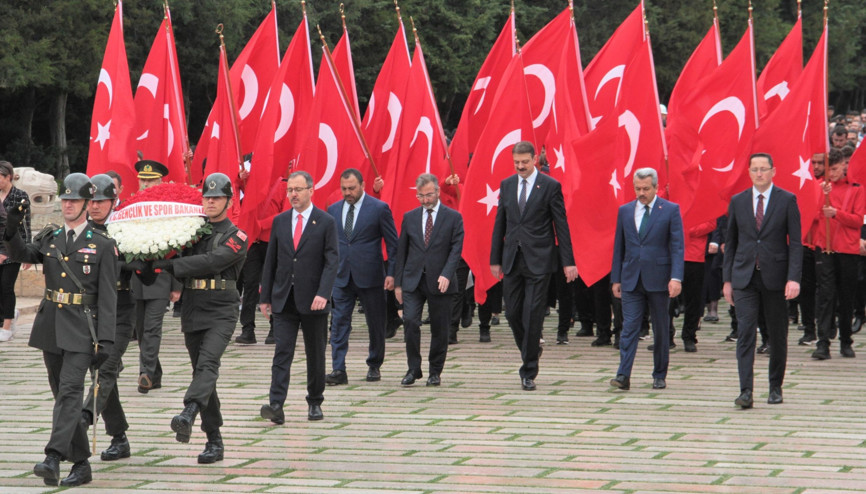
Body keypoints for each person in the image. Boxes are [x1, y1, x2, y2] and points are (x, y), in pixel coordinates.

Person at [4, 173, 117, 487]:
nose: (68, 205)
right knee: (62, 396)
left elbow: (109, 297)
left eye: (75, 200)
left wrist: (106, 340)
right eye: (65, 199)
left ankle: (53, 456)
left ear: (87, 204)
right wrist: (11, 229)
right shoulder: (51, 237)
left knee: (69, 392)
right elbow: (24, 255)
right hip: (51, 326)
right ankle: (81, 464)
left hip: (82, 329)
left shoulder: (102, 244)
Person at [151, 172, 248, 464]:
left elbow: (213, 261)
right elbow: (170, 249)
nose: (211, 202)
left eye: (217, 197)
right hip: (194, 307)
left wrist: (172, 266)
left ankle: (189, 411)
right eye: (207, 197)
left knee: (208, 364)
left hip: (221, 309)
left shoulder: (237, 237)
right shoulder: (191, 231)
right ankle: (214, 440)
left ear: (229, 202)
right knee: (202, 373)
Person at [490, 141, 577, 391]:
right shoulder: (507, 185)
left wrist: (568, 262)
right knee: (512, 313)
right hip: (512, 259)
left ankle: (528, 370)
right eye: (516, 162)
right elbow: (500, 222)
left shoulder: (550, 186)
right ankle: (531, 349)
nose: (520, 166)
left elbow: (561, 225)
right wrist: (495, 258)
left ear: (535, 159)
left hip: (540, 260)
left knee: (532, 314)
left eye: (525, 162)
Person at [723, 153, 802, 409]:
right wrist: (727, 280)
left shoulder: (787, 200)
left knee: (777, 334)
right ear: (749, 172)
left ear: (773, 171)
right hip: (744, 277)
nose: (759, 173)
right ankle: (745, 390)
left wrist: (793, 278)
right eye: (755, 169)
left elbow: (796, 243)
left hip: (775, 278)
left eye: (764, 169)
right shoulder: (738, 201)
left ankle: (775, 386)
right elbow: (731, 242)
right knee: (745, 332)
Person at [259, 171, 338, 424]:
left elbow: (331, 261)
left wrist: (323, 293)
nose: (293, 194)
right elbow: (271, 260)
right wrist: (265, 296)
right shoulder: (281, 221)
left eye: (298, 189)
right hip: (284, 298)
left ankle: (315, 401)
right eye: (290, 190)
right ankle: (276, 404)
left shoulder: (325, 221)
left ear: (311, 190)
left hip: (314, 300)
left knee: (315, 353)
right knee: (282, 352)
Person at [609, 168, 684, 391]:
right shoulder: (625, 211)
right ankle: (623, 374)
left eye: (646, 189)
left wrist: (676, 277)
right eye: (638, 188)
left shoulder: (670, 210)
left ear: (656, 187)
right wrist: (616, 279)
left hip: (659, 279)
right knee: (629, 326)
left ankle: (659, 374)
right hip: (631, 278)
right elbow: (619, 247)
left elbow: (677, 247)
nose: (641, 193)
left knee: (660, 328)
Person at [80, 174, 137, 462]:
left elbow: (140, 261)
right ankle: (119, 436)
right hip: (92, 311)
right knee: (102, 372)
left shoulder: (125, 228)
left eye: (100, 201)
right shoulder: (83, 230)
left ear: (113, 201)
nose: (94, 206)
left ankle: (81, 422)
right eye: (91, 201)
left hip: (121, 307)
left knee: (107, 368)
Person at [326, 169, 398, 385]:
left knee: (375, 323)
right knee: (339, 323)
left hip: (371, 276)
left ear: (362, 185)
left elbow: (393, 244)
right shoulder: (333, 209)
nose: (348, 192)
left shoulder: (379, 209)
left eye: (352, 188)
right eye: (344, 189)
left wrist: (392, 273)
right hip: (342, 276)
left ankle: (374, 364)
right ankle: (338, 368)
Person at [394, 173, 464, 386]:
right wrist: (398, 284)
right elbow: (402, 251)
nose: (425, 200)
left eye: (429, 195)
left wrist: (447, 273)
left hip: (440, 280)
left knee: (440, 328)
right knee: (410, 321)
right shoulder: (410, 217)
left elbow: (456, 249)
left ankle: (435, 371)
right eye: (421, 196)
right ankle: (413, 368)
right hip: (413, 279)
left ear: (438, 192)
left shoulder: (453, 217)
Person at [130, 159, 181, 393]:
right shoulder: (132, 208)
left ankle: (146, 374)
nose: (146, 184)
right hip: (137, 278)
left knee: (151, 328)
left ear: (160, 182)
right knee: (141, 331)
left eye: (151, 181)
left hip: (161, 277)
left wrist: (177, 284)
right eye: (143, 180)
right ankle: (155, 373)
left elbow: (179, 248)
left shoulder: (168, 209)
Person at [810, 149, 864, 359]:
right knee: (825, 295)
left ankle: (845, 340)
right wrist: (821, 197)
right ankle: (823, 342)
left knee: (846, 295)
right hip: (825, 247)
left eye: (834, 169)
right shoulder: (820, 187)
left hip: (847, 249)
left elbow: (857, 220)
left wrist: (836, 214)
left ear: (843, 165)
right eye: (828, 170)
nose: (831, 173)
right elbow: (812, 214)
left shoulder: (857, 189)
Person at [235, 176, 290, 345]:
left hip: (272, 242)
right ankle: (247, 329)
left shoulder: (284, 185)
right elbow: (237, 192)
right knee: (249, 285)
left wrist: (262, 224)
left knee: (274, 285)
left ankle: (275, 327)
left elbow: (286, 214)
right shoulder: (253, 180)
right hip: (253, 241)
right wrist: (240, 178)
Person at [0, 160, 31, 341]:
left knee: (6, 286)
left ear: (8, 177)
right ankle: (8, 316)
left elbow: (26, 226)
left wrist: (28, 252)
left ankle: (7, 326)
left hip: (13, 249)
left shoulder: (20, 196)